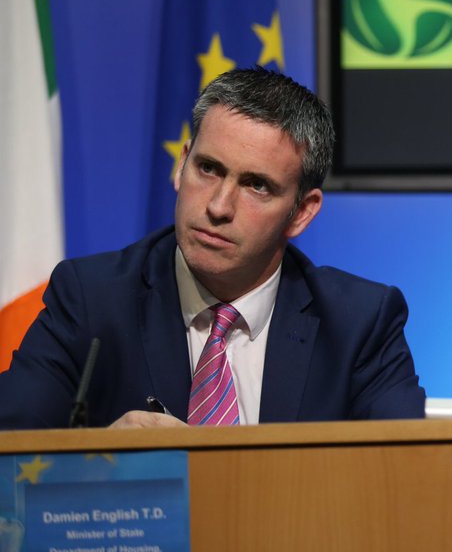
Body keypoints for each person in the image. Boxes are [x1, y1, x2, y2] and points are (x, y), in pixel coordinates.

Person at [0, 67, 425, 428]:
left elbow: (401, 475)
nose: (219, 207)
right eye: (208, 169)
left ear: (302, 212)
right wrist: (99, 463)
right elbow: (12, 449)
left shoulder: (358, 325)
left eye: (257, 185)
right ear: (181, 165)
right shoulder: (92, 299)